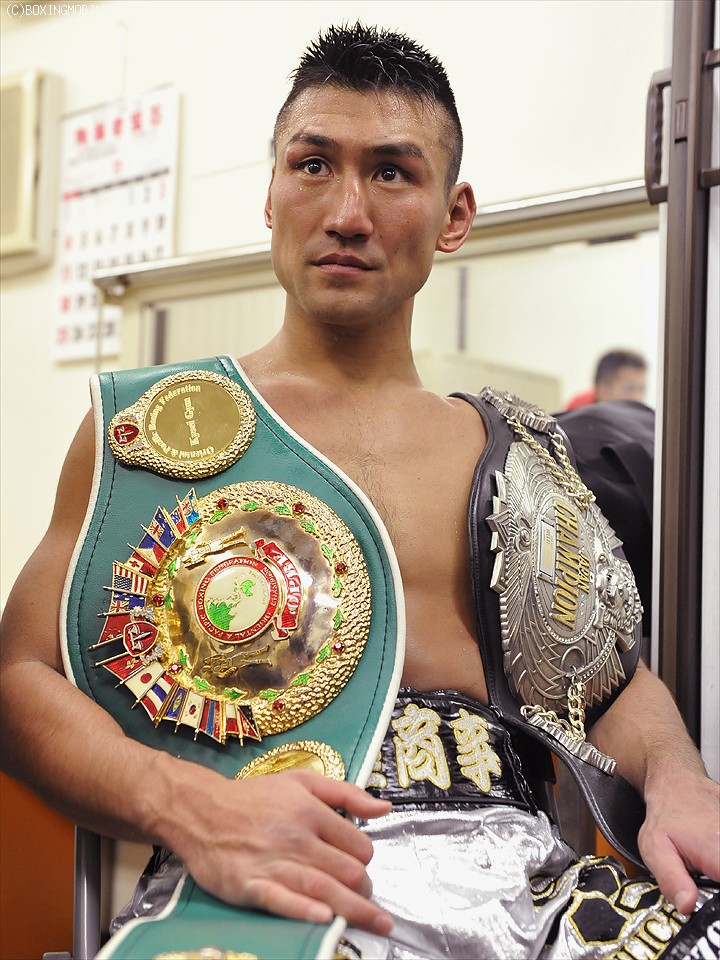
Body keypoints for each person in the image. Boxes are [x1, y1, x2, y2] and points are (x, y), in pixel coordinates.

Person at [1, 23, 718, 960]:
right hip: (269, 875)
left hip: (532, 893)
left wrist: (679, 778)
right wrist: (192, 808)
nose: (347, 212)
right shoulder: (147, 430)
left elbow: (611, 686)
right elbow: (20, 680)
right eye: (313, 166)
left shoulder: (518, 453)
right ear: (270, 193)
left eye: (391, 172)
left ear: (454, 214)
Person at [566, 349, 648, 410]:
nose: (638, 398)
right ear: (603, 389)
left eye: (642, 389)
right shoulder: (579, 410)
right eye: (630, 389)